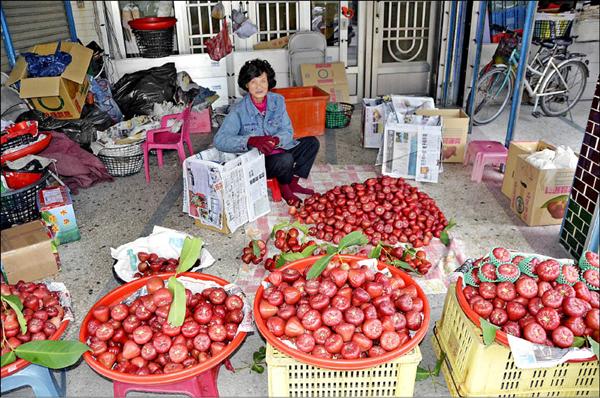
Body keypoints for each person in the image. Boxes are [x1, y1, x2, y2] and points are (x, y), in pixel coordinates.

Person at [214, 59, 320, 206]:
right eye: (253, 82)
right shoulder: (238, 109)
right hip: (259, 160)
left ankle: (292, 183)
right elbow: (220, 140)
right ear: (246, 85)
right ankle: (285, 189)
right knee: (286, 159)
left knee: (311, 143)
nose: (259, 87)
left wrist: (276, 140)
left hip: (281, 148)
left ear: (269, 82)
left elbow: (288, 131)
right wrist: (251, 141)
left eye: (263, 81)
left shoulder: (278, 101)